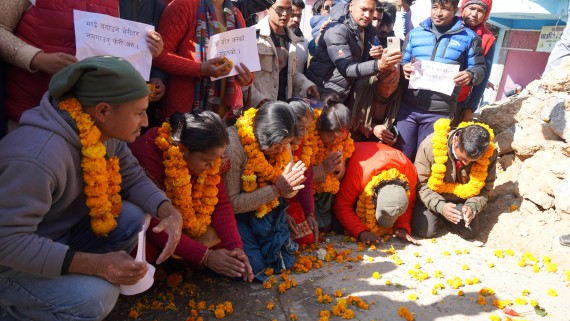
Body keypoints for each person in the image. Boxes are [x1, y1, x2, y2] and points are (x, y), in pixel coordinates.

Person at [0, 56, 183, 321]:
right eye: (138, 112)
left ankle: (61, 290)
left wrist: (168, 210)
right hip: (8, 265)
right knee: (97, 297)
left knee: (131, 217)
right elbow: (7, 243)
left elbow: (130, 175)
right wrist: (97, 266)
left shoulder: (103, 131)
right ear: (104, 111)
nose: (145, 122)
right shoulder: (37, 157)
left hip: (55, 238)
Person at [130, 110, 254, 281]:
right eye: (206, 161)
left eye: (215, 161)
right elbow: (153, 221)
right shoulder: (149, 151)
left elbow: (221, 203)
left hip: (189, 219)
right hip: (154, 222)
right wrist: (206, 257)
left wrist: (236, 249)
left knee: (230, 253)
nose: (212, 167)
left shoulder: (210, 159)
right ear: (183, 149)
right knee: (142, 252)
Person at [0, 1, 163, 130]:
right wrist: (37, 58)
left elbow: (117, 44)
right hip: (30, 113)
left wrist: (146, 48)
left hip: (91, 119)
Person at [223, 102, 306, 281]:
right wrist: (276, 189)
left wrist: (291, 185)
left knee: (283, 258)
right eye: (277, 146)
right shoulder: (234, 146)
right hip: (236, 216)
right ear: (263, 135)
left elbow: (288, 192)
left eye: (286, 145)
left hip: (267, 211)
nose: (282, 150)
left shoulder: (282, 143)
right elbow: (232, 203)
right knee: (255, 266)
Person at [394, 0, 485, 162]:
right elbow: (401, 62)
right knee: (401, 156)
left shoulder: (469, 38)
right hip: (408, 109)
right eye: (435, 7)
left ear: (456, 10)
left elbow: (480, 69)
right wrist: (403, 68)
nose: (438, 13)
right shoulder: (415, 34)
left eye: (445, 9)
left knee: (425, 161)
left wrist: (470, 75)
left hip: (439, 112)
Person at [153, 0, 254, 122]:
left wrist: (247, 78)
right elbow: (159, 54)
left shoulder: (236, 14)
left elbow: (243, 61)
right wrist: (200, 69)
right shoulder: (182, 5)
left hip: (223, 115)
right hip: (184, 114)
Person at [413, 118, 497, 240]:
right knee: (426, 231)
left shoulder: (489, 153)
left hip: (461, 200)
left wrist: (473, 206)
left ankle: (449, 216)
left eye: (471, 162)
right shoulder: (430, 146)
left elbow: (485, 188)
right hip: (433, 195)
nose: (465, 163)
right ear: (455, 140)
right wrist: (440, 207)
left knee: (470, 232)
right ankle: (439, 215)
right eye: (462, 159)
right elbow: (421, 184)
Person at [305, 0, 402, 105]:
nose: (367, 15)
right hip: (320, 95)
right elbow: (347, 69)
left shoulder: (366, 31)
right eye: (364, 9)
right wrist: (379, 64)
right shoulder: (337, 30)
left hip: (341, 96)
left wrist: (376, 57)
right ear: (351, 6)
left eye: (371, 11)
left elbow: (359, 64)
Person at [335, 142, 419, 245]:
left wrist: (402, 226)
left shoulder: (409, 173)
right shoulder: (359, 175)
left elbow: (408, 203)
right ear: (374, 197)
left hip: (381, 160)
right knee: (337, 226)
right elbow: (342, 206)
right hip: (360, 161)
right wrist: (362, 232)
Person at [248, 0, 319, 107]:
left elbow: (291, 74)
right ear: (268, 9)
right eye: (280, 9)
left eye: (288, 9)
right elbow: (243, 79)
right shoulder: (252, 35)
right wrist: (259, 101)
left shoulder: (293, 40)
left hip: (283, 108)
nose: (285, 14)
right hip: (257, 110)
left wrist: (306, 85)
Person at [119, 0, 168, 130]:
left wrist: (158, 77)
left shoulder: (158, 6)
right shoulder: (104, 4)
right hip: (109, 87)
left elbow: (164, 52)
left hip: (142, 93)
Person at [310, 94, 355, 231]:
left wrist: (338, 169)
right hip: (304, 192)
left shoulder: (343, 142)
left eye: (339, 139)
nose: (334, 142)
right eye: (330, 136)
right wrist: (323, 168)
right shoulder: (307, 133)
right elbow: (298, 176)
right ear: (320, 126)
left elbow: (339, 176)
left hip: (326, 195)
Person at [453, 0, 496, 126]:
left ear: (486, 14)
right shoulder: (448, 24)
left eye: (481, 11)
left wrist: (470, 108)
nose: (474, 14)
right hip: (431, 95)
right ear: (463, 8)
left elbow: (484, 76)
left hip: (459, 101)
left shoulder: (488, 39)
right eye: (471, 8)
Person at [285, 99, 319, 245]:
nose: (303, 134)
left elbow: (306, 179)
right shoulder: (278, 142)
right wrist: (283, 213)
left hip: (292, 199)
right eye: (300, 128)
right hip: (273, 203)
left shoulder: (303, 145)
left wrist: (309, 213)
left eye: (307, 128)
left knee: (307, 237)